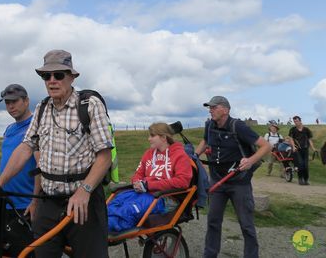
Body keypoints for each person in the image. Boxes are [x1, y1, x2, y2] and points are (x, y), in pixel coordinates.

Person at [0, 49, 113, 258]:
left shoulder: (89, 105)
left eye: (58, 75)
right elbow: (25, 148)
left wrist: (85, 190)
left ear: (71, 76)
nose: (52, 80)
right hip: (48, 202)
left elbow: (104, 157)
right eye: (46, 76)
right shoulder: (42, 108)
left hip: (82, 201)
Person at [194, 96, 271, 258]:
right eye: (210, 107)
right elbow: (205, 142)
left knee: (246, 225)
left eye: (214, 107)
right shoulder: (209, 125)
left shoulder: (239, 126)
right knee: (213, 222)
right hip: (217, 181)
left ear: (226, 110)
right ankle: (210, 255)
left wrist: (250, 161)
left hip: (239, 183)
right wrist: (194, 157)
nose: (210, 110)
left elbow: (266, 146)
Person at [0, 83, 40, 217]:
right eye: (7, 102)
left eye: (15, 101)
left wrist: (35, 201)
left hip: (26, 203)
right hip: (6, 200)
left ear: (26, 101)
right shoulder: (9, 129)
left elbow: (40, 166)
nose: (11, 106)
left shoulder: (36, 126)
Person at [131, 122, 193, 209]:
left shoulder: (180, 155)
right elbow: (138, 173)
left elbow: (182, 182)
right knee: (117, 203)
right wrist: (136, 183)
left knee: (129, 210)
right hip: (145, 193)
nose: (149, 139)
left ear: (164, 137)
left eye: (152, 136)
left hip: (166, 197)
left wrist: (149, 185)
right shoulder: (148, 153)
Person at [288, 115, 316, 185]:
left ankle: (306, 180)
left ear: (300, 121)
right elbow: (291, 139)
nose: (296, 123)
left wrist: (313, 148)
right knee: (300, 164)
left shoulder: (306, 130)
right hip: (297, 150)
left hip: (305, 149)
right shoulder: (292, 129)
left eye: (297, 121)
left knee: (305, 165)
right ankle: (300, 179)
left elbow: (309, 140)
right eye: (294, 121)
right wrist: (293, 147)